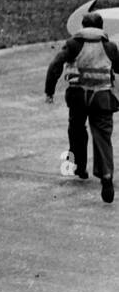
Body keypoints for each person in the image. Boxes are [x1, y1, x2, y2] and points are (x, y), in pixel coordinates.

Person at [45, 11, 117, 203]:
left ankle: (79, 166)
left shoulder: (73, 44)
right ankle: (107, 176)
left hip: (78, 98)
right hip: (102, 99)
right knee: (102, 137)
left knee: (76, 129)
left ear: (83, 27)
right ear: (101, 28)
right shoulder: (109, 46)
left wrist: (49, 91)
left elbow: (55, 65)